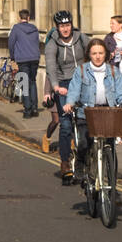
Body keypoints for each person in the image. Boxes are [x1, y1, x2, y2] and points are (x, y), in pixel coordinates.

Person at [62, 37, 122, 185]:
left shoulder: (113, 71)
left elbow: (121, 93)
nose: (98, 56)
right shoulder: (81, 70)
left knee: (110, 146)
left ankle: (111, 179)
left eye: (100, 53)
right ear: (89, 55)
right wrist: (70, 103)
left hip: (107, 113)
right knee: (85, 144)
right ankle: (80, 163)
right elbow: (73, 90)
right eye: (94, 53)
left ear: (106, 54)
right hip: (86, 113)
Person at [43, 10, 89, 173]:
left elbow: (95, 50)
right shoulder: (52, 44)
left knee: (86, 121)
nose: (65, 29)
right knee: (66, 124)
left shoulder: (81, 38)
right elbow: (51, 67)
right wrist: (55, 87)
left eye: (67, 25)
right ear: (57, 27)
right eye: (62, 26)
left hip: (84, 81)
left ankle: (85, 159)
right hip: (64, 85)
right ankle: (64, 162)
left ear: (72, 25)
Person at [7, 10, 41, 118]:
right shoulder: (34, 28)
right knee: (32, 81)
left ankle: (27, 110)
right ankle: (35, 108)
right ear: (28, 17)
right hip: (34, 58)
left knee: (25, 84)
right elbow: (37, 42)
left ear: (19, 17)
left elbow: (11, 44)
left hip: (22, 59)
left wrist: (13, 57)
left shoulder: (16, 28)